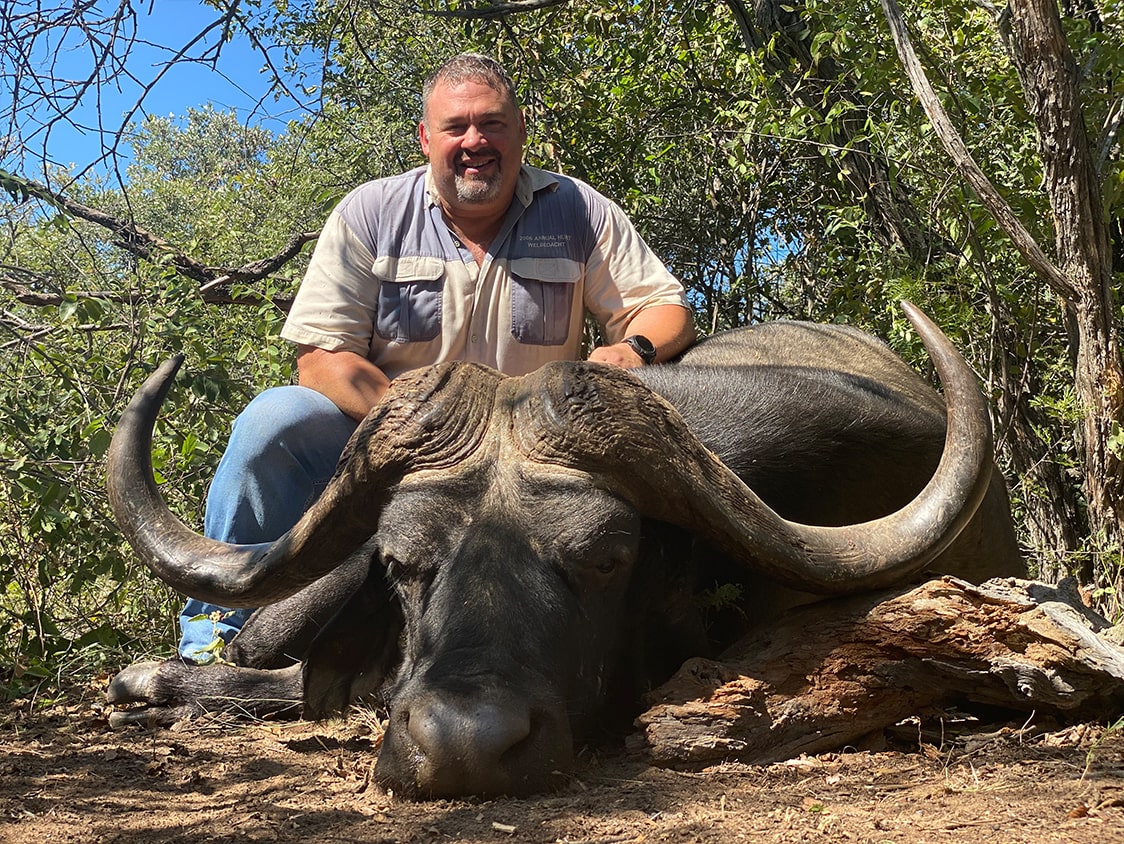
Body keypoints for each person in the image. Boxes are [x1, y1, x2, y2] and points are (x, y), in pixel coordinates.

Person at [177, 52, 696, 662]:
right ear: (426, 138)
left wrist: (633, 349)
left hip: (534, 463)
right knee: (274, 422)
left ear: (520, 131)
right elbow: (322, 357)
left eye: (492, 124)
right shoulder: (371, 212)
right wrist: (421, 422)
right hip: (395, 442)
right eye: (456, 127)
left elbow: (663, 308)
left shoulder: (580, 209)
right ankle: (215, 636)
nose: (475, 141)